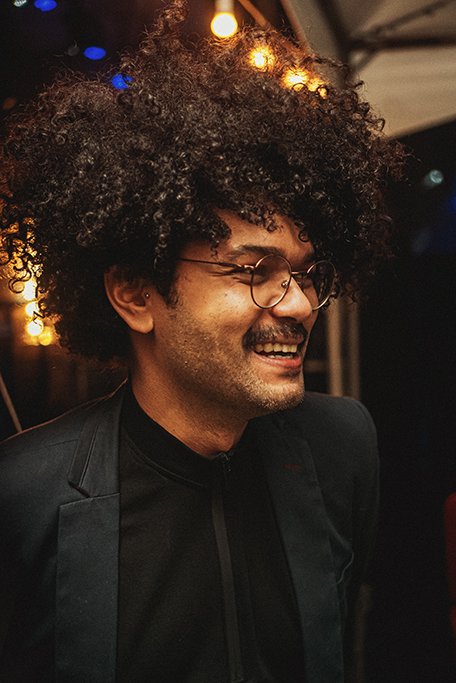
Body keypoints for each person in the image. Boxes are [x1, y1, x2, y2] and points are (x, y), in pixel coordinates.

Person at [0, 1, 404, 681]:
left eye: (306, 274)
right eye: (252, 272)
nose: (299, 304)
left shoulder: (342, 448)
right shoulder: (23, 494)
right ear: (136, 294)